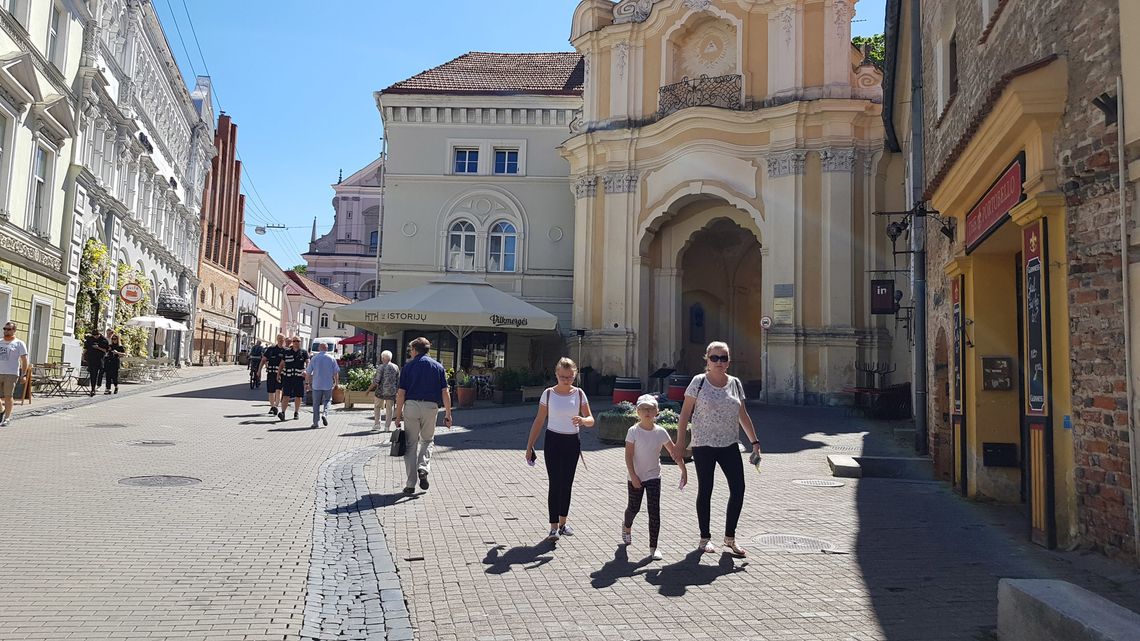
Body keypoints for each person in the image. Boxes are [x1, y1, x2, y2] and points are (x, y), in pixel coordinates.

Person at [674, 341, 761, 557]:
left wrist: (755, 442)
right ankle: (705, 539)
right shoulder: (699, 382)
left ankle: (730, 539)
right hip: (703, 444)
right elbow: (685, 413)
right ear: (707, 360)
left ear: (728, 361)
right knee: (706, 490)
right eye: (714, 358)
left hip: (729, 443)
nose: (719, 362)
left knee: (738, 489)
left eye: (723, 358)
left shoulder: (735, 384)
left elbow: (743, 415)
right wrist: (679, 442)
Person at [524, 357, 595, 541]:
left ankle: (564, 523)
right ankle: (553, 526)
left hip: (572, 441)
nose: (566, 380)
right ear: (556, 374)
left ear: (575, 375)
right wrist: (529, 445)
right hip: (553, 440)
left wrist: (582, 420)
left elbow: (591, 419)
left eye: (570, 377)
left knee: (567, 483)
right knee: (555, 482)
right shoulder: (548, 394)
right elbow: (539, 421)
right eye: (562, 376)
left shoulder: (579, 394)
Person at [624, 394, 687, 561]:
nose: (647, 412)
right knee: (633, 508)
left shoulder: (660, 432)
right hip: (636, 477)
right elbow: (628, 456)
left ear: (656, 412)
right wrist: (633, 475)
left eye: (651, 409)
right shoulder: (633, 431)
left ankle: (653, 548)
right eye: (643, 409)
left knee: (654, 512)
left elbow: (673, 452)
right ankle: (627, 526)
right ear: (637, 412)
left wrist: (683, 470)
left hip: (653, 476)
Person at [393, 337, 451, 495]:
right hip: (431, 407)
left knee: (411, 444)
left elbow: (401, 394)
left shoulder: (408, 367)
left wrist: (397, 416)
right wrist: (448, 413)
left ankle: (410, 484)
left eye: (411, 350)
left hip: (411, 406)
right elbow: (445, 392)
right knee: (427, 440)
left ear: (415, 350)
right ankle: (423, 467)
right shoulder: (438, 367)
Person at [0, 321, 29, 426]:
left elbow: (24, 360)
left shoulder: (19, 343)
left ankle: (7, 418)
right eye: (4, 329)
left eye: (8, 329)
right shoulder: (0, 342)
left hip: (11, 373)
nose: (6, 331)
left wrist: (24, 374)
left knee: (8, 396)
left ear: (14, 330)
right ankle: (2, 409)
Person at [305, 342, 340, 428]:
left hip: (316, 384)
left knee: (316, 403)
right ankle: (325, 414)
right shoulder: (332, 358)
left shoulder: (314, 358)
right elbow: (336, 372)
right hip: (328, 384)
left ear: (318, 349)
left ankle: (315, 423)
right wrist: (336, 383)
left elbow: (308, 372)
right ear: (327, 349)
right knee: (327, 400)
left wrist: (307, 383)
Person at [276, 336, 308, 421]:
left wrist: (307, 373)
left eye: (298, 341)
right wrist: (278, 374)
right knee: (286, 395)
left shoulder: (304, 352)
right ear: (292, 343)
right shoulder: (287, 352)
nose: (296, 342)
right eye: (294, 341)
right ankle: (283, 412)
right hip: (288, 377)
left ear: (300, 342)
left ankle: (296, 412)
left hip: (298, 378)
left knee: (298, 396)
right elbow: (282, 364)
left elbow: (308, 364)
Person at [366, 350, 399, 432]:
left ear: (383, 358)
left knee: (377, 407)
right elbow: (398, 381)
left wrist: (368, 390)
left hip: (380, 392)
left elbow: (376, 381)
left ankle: (377, 424)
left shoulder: (381, 367)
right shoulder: (396, 367)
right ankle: (387, 426)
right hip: (391, 392)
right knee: (389, 408)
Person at [260, 334, 287, 415]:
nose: (280, 340)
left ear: (284, 340)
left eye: (282, 339)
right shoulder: (271, 349)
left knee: (278, 390)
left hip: (281, 374)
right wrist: (259, 370)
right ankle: (272, 407)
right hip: (271, 373)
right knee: (271, 391)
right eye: (279, 339)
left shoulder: (286, 350)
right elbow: (263, 360)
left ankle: (276, 406)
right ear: (277, 339)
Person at [83, 329, 109, 397]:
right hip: (91, 359)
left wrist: (98, 347)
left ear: (99, 334)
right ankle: (93, 389)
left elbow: (106, 350)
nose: (95, 336)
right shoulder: (89, 339)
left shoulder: (103, 340)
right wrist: (83, 356)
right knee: (92, 374)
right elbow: (86, 348)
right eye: (94, 335)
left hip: (99, 360)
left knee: (97, 373)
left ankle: (96, 387)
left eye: (96, 335)